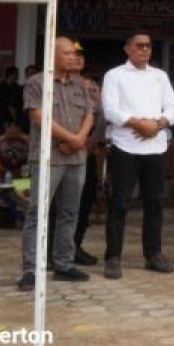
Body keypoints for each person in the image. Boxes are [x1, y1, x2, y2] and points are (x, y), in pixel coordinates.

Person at [100, 31, 174, 279]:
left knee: (155, 202)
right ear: (127, 48)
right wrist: (137, 124)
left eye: (148, 46)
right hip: (125, 146)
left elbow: (173, 106)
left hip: (155, 146)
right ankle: (113, 257)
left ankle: (153, 254)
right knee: (120, 203)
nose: (145, 50)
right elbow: (110, 110)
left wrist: (157, 124)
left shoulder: (160, 76)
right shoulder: (115, 75)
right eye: (139, 45)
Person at [17, 37, 95, 291]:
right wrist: (71, 138)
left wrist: (78, 140)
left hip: (76, 158)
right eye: (67, 53)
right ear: (52, 54)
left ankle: (63, 263)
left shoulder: (80, 84)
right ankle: (31, 268)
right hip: (49, 157)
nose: (73, 57)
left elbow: (89, 116)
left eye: (75, 53)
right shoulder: (36, 82)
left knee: (69, 212)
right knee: (38, 212)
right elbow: (39, 117)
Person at [72, 42, 104, 266]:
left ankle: (75, 245)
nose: (78, 59)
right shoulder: (52, 84)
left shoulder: (91, 87)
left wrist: (92, 141)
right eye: (73, 55)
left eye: (81, 56)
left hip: (87, 152)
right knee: (58, 204)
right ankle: (51, 249)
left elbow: (101, 117)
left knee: (85, 201)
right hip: (60, 151)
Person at [0, 66, 25, 131]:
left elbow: (20, 102)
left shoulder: (18, 88)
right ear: (10, 74)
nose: (17, 76)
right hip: (1, 117)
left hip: (15, 118)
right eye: (16, 74)